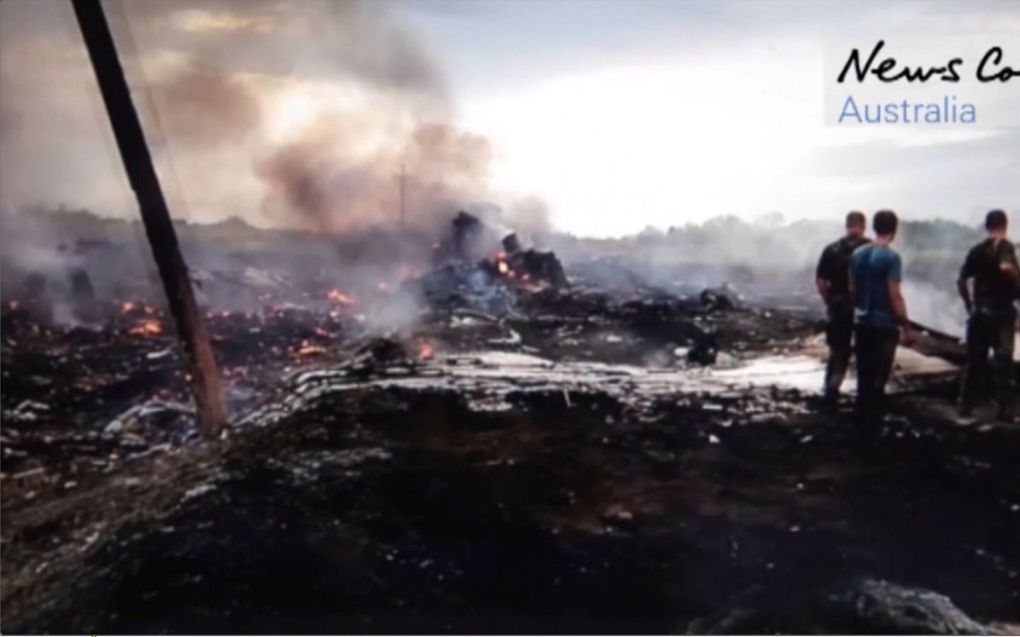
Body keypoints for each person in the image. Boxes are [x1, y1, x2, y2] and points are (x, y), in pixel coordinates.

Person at [850, 210, 914, 419]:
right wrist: (906, 327)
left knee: (863, 375)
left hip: (862, 322)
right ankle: (873, 424)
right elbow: (894, 295)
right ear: (893, 230)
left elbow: (853, 289)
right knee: (879, 378)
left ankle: (859, 420)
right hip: (884, 326)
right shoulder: (891, 258)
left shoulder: (857, 254)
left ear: (874, 228)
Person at [956, 209, 1019, 420]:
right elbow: (1006, 267)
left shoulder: (976, 250)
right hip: (1002, 313)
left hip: (979, 312)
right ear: (1005, 225)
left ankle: (965, 407)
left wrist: (968, 304)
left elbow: (961, 280)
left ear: (987, 226)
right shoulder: (1004, 246)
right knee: (1004, 361)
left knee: (975, 361)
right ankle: (1006, 411)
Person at [815, 211, 870, 405]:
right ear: (864, 226)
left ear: (846, 225)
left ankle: (832, 389)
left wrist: (830, 302)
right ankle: (866, 393)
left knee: (838, 350)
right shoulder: (870, 249)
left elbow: (821, 283)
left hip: (839, 305)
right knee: (866, 351)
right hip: (865, 307)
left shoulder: (832, 250)